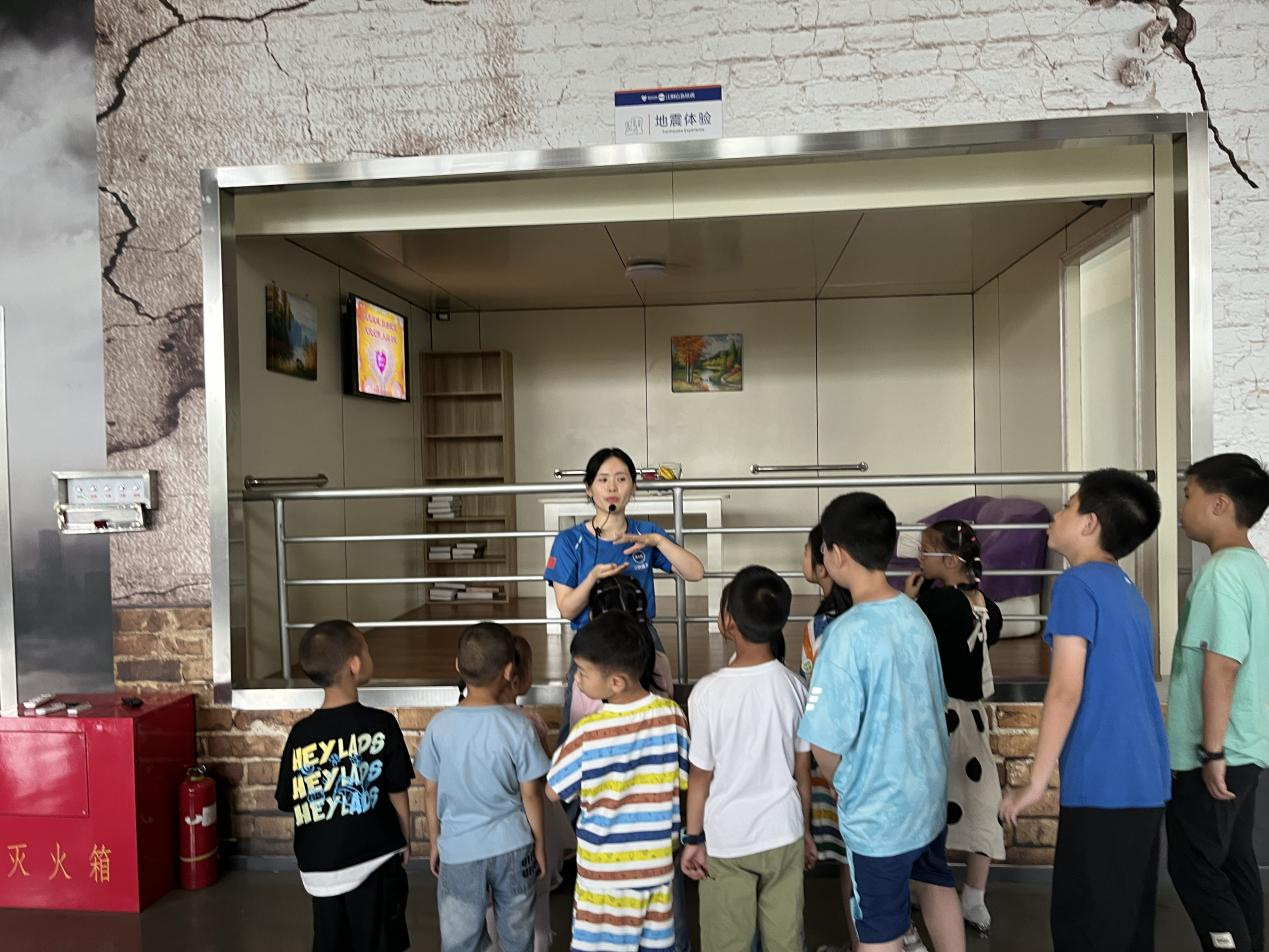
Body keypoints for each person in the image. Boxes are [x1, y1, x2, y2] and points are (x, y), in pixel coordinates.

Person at [1000, 469, 1170, 952]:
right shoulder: (1124, 588)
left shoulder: (1076, 585)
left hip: (1104, 782)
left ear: (1090, 523)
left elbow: (1064, 690)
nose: (1055, 515)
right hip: (1143, 780)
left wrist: (1035, 782)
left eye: (1068, 506)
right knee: (1126, 928)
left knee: (1088, 929)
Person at [798, 493, 965, 952]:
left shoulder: (844, 635)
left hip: (879, 817)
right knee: (936, 881)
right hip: (927, 797)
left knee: (879, 925)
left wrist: (843, 785)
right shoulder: (914, 614)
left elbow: (824, 742)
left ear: (836, 555)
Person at [680, 566, 816, 952]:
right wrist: (805, 831)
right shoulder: (795, 688)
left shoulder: (707, 694)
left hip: (728, 841)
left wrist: (693, 838)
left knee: (728, 943)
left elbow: (700, 777)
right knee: (786, 941)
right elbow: (802, 772)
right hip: (784, 834)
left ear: (728, 621)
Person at [1166, 453, 1269, 952]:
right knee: (1233, 860)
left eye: (1189, 495)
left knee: (1195, 866)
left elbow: (1222, 664)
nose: (1182, 507)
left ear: (1220, 504)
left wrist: (1211, 752)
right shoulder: (1254, 567)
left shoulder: (1221, 574)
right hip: (1245, 749)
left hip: (1215, 755)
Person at [546, 611, 691, 952]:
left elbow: (553, 791)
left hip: (603, 878)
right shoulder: (672, 716)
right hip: (656, 869)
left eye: (582, 672)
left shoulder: (588, 731)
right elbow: (684, 780)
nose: (578, 680)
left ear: (616, 682)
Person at [545, 446, 704, 741]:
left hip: (640, 634)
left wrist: (658, 542)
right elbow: (567, 608)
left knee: (655, 717)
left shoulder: (646, 533)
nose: (612, 488)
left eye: (621, 479)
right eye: (603, 480)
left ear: (633, 487)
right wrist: (592, 578)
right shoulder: (569, 541)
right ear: (589, 489)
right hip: (593, 638)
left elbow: (695, 572)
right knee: (577, 726)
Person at [274, 620, 414, 952]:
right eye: (366, 649)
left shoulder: (300, 735)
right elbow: (397, 790)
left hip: (319, 870)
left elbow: (289, 800)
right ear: (355, 664)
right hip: (375, 860)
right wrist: (405, 839)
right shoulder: (381, 724)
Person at [416, 623, 550, 952]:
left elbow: (430, 791)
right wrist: (539, 843)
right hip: (514, 847)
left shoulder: (438, 726)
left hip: (458, 851)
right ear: (509, 671)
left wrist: (435, 841)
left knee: (461, 940)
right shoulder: (519, 726)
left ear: (458, 666)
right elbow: (531, 793)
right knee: (518, 936)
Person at [904, 520, 1004, 935]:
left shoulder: (937, 604)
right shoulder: (988, 605)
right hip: (975, 719)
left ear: (948, 560)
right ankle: (974, 897)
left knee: (930, 806)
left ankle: (921, 887)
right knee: (982, 804)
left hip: (940, 718)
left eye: (925, 550)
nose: (919, 557)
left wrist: (910, 599)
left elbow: (908, 635)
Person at [484, 636, 577, 952]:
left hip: (492, 823)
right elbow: (545, 775)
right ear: (516, 678)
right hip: (532, 821)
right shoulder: (530, 722)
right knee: (537, 901)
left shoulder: (471, 722)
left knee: (492, 902)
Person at [798, 525, 859, 951]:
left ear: (824, 563)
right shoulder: (870, 618)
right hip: (869, 759)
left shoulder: (817, 628)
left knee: (850, 865)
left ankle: (862, 943)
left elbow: (812, 696)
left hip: (831, 761)